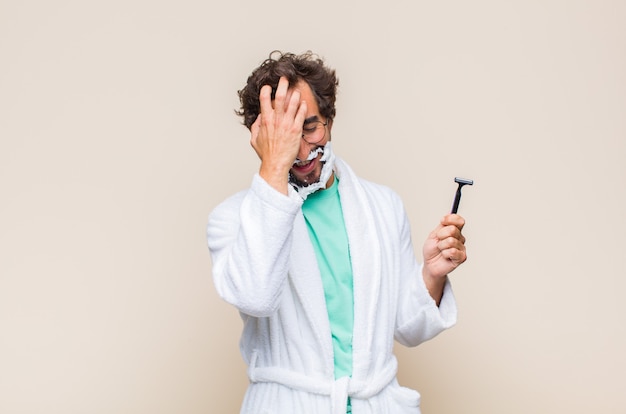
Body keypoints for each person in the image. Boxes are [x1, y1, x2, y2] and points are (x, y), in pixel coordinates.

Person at [206, 51, 468, 414]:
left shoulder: (383, 207)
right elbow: (257, 296)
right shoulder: (233, 218)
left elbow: (407, 329)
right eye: (285, 135)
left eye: (310, 127)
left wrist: (431, 275)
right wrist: (273, 167)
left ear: (329, 119)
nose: (300, 150)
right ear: (261, 138)